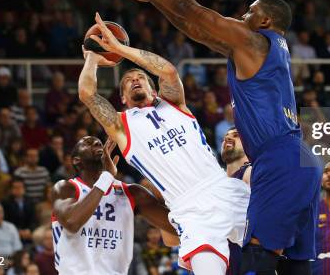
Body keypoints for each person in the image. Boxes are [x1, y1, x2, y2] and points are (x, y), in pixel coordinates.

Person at [102, 0, 322, 275]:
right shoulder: (265, 49)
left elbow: (191, 9)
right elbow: (196, 30)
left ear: (263, 19)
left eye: (248, 12)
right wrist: (156, 1)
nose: (242, 16)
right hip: (301, 160)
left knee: (256, 260)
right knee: (295, 263)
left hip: (279, 160)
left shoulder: (253, 40)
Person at [78, 19, 250, 275]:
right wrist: (92, 56)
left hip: (223, 189)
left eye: (141, 77)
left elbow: (168, 71)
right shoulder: (121, 126)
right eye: (128, 81)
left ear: (154, 88)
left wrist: (121, 49)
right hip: (189, 210)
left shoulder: (174, 103)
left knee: (282, 254)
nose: (135, 79)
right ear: (122, 97)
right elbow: (87, 94)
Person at [51, 136, 175, 275]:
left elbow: (176, 230)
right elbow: (72, 222)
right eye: (88, 143)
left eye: (98, 142)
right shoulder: (65, 188)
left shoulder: (133, 193)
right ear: (76, 160)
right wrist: (106, 177)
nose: (97, 142)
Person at [221, 128, 251, 275]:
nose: (228, 138)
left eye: (236, 135)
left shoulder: (251, 171)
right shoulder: (216, 180)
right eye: (225, 137)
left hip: (246, 260)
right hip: (219, 260)